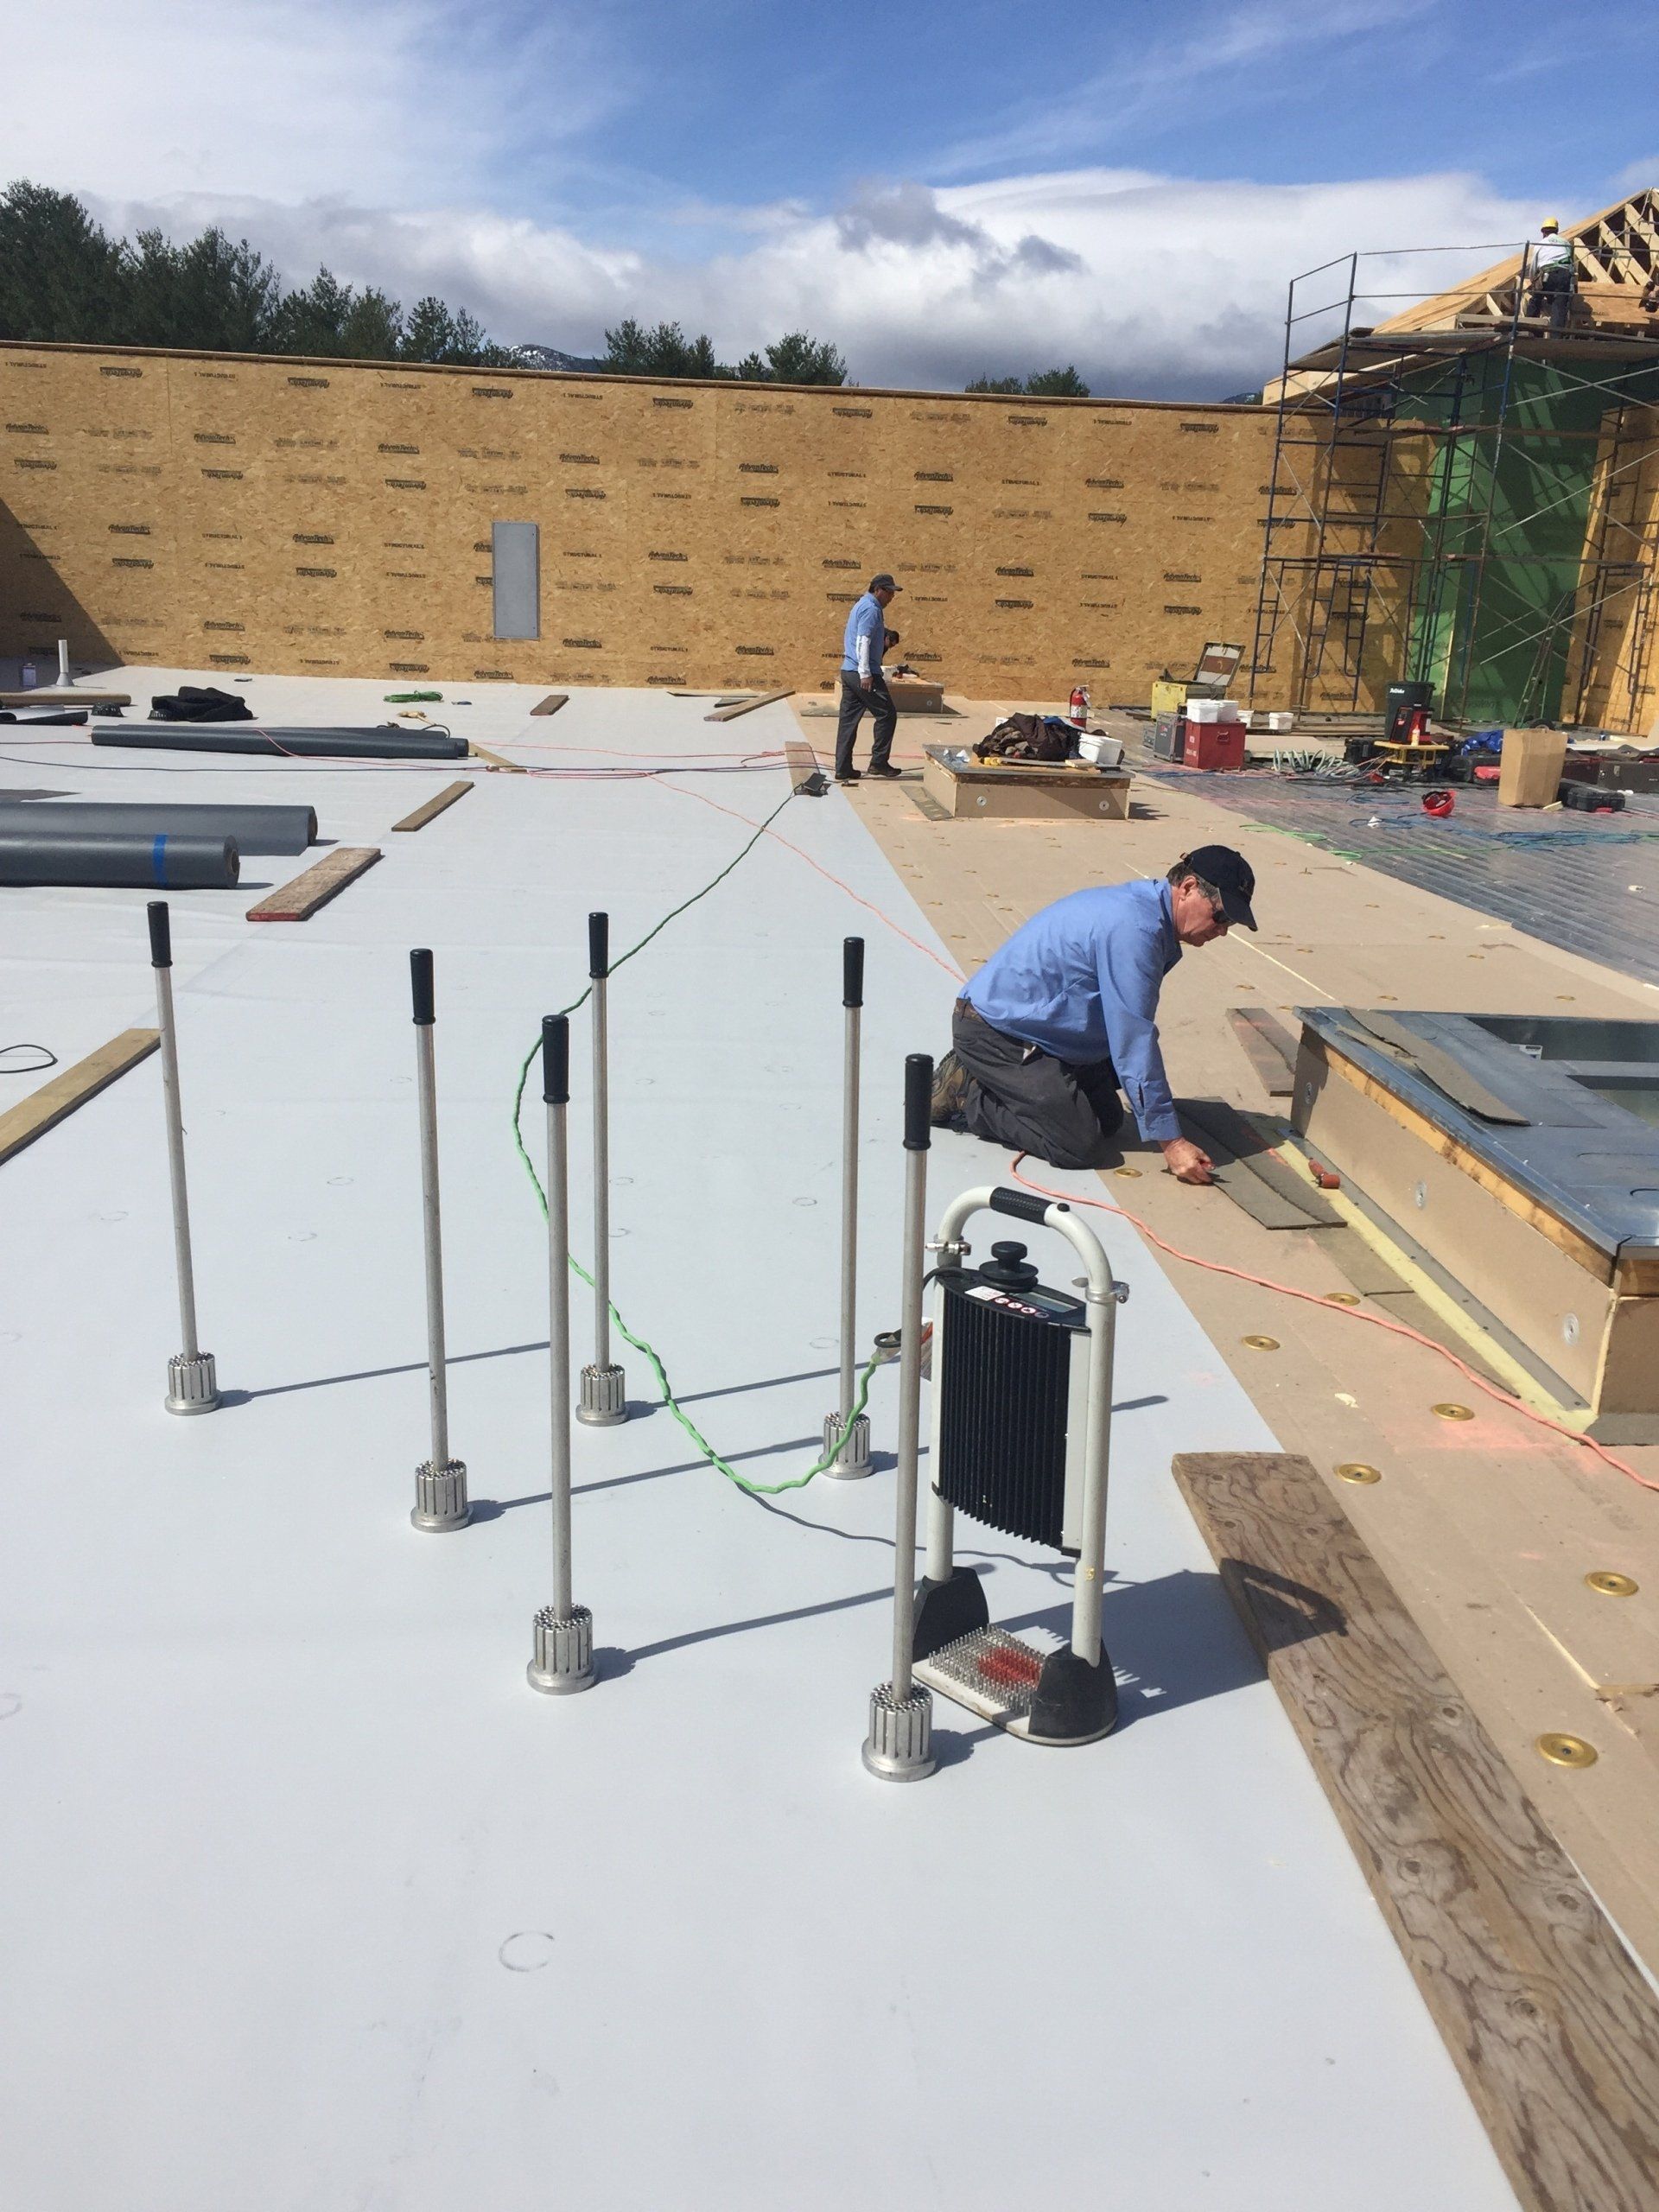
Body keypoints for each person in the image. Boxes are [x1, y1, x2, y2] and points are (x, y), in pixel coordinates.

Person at [930, 846, 1258, 1180]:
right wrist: (1172, 1143)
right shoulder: (1136, 930)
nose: (1222, 930)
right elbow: (1133, 1038)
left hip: (1046, 1031)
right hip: (997, 1032)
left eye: (1229, 923)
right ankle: (967, 1094)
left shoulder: (1147, 911)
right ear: (1187, 888)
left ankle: (1012, 1086)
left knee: (1109, 1119)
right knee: (1075, 1144)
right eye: (1220, 916)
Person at [836, 573, 903, 784]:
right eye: (889, 593)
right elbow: (862, 640)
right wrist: (865, 673)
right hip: (862, 673)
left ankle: (843, 768)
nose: (892, 597)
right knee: (887, 714)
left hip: (848, 672)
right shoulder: (872, 609)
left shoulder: (862, 605)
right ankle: (878, 763)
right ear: (878, 590)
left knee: (848, 722)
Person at [1524, 218, 1575, 334]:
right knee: (1559, 305)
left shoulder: (1540, 244)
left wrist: (1533, 281)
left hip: (1547, 275)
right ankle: (1555, 338)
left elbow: (1533, 267)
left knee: (1535, 300)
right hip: (1564, 275)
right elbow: (1569, 262)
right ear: (1557, 231)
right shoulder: (1566, 243)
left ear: (1543, 232)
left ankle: (1528, 331)